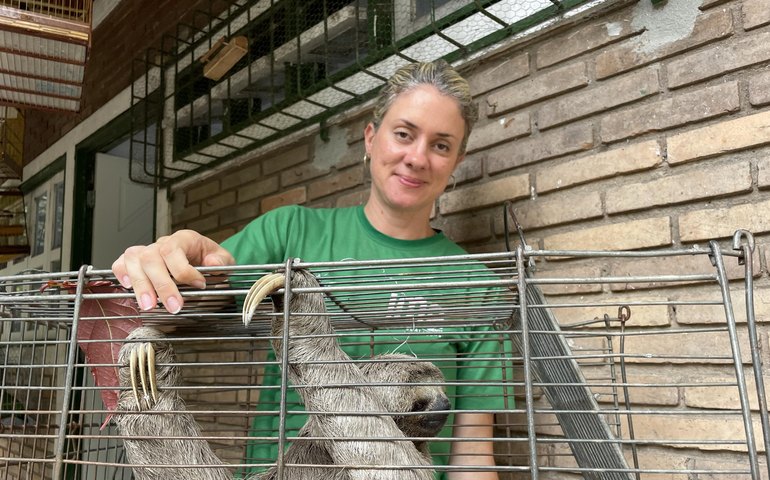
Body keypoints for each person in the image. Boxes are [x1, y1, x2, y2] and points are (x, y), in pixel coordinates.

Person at [112, 59, 511, 480]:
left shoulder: (478, 285)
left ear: (457, 162)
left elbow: (473, 455)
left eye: (441, 145)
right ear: (371, 139)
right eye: (404, 134)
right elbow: (186, 307)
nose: (417, 157)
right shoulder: (292, 233)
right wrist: (175, 269)